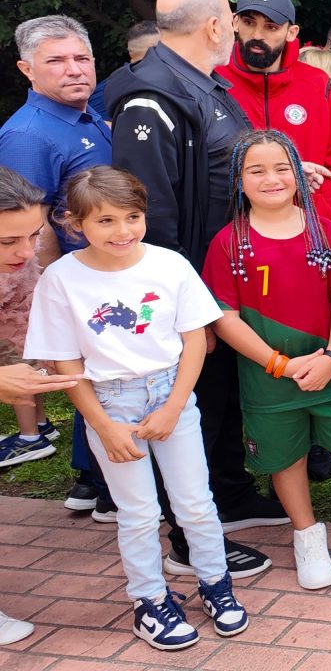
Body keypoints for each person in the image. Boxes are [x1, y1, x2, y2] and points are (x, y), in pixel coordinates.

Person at [101, 0, 282, 576]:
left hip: (219, 274)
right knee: (192, 404)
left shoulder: (201, 83)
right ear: (214, 26)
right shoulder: (151, 97)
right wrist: (181, 304)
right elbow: (149, 211)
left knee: (221, 393)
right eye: (232, 19)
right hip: (187, 280)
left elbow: (221, 165)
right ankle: (188, 536)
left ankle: (229, 495)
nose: (236, 30)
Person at [26, 167, 249, 650]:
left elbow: (195, 340)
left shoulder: (170, 265)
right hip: (109, 402)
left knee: (195, 501)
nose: (122, 230)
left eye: (132, 216)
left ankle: (216, 583)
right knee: (139, 512)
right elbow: (66, 362)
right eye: (105, 220)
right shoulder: (61, 279)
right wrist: (102, 425)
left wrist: (173, 407)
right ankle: (149, 601)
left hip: (172, 394)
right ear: (76, 223)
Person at [203, 130, 331, 588]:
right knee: (285, 458)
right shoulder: (228, 243)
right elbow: (225, 317)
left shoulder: (323, 230)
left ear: (298, 174)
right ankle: (307, 535)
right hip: (268, 378)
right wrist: (281, 364)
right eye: (256, 170)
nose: (271, 178)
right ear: (238, 180)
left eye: (281, 168)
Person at [0, 16, 110, 477]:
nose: (74, 69)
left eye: (82, 58)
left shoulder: (87, 115)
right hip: (74, 283)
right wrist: (52, 297)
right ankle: (93, 481)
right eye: (57, 61)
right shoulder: (27, 135)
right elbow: (30, 224)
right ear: (27, 69)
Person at [0, 167, 81, 644]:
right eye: (8, 241)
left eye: (34, 235)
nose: (26, 252)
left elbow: (25, 328)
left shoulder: (22, 268)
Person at [217, 0, 331, 222]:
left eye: (271, 26)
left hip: (305, 226)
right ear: (234, 22)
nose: (257, 34)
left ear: (291, 32)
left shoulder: (317, 84)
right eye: (248, 22)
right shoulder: (212, 80)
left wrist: (316, 220)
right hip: (229, 226)